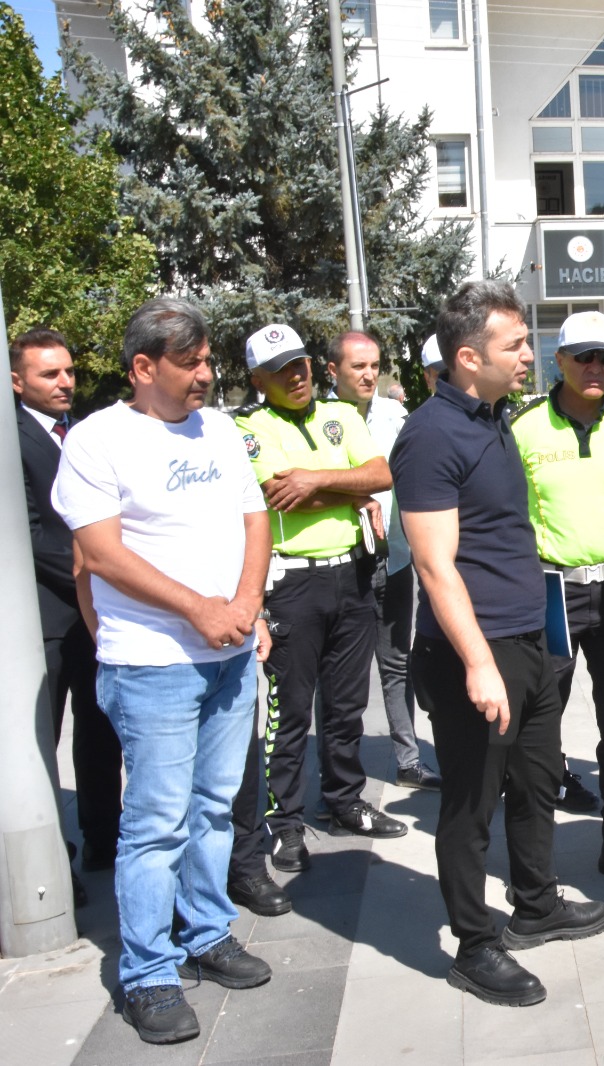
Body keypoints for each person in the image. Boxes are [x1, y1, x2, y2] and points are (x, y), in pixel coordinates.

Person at [52, 297, 274, 1044]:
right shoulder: (98, 439)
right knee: (156, 821)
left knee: (213, 806)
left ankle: (207, 931)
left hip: (229, 656)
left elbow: (254, 518)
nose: (206, 374)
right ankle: (148, 972)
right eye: (191, 362)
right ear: (143, 367)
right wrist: (197, 609)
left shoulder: (219, 429)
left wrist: (246, 604)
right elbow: (101, 554)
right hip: (153, 664)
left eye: (208, 360)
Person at [392, 280, 604, 1007]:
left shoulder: (494, 420)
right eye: (515, 345)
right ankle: (474, 944)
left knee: (539, 780)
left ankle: (536, 904)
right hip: (474, 654)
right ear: (468, 356)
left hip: (529, 640)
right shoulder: (431, 434)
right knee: (470, 803)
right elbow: (434, 565)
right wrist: (479, 663)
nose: (529, 355)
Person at [230, 323, 405, 899]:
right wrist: (351, 490)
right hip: (292, 582)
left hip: (350, 574)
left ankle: (345, 800)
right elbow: (278, 492)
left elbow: (382, 474)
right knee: (290, 711)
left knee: (348, 703)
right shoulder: (249, 427)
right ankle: (285, 823)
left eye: (301, 363)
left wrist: (319, 480)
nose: (297, 375)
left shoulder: (341, 415)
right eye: (281, 370)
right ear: (259, 379)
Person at [510, 310, 604, 886]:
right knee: (538, 726)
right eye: (584, 358)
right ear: (560, 360)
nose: (596, 368)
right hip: (551, 590)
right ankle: (535, 863)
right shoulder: (523, 427)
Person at [12, 328, 122, 904]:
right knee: (43, 741)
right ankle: (55, 863)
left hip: (93, 616)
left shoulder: (79, 434)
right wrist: (96, 571)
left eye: (69, 371)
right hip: (49, 618)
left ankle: (105, 836)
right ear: (16, 381)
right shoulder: (10, 437)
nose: (65, 382)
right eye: (49, 374)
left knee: (101, 728)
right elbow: (29, 533)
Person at [326, 331, 441, 791]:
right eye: (358, 366)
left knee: (397, 663)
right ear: (333, 371)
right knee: (341, 675)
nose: (369, 374)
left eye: (374, 365)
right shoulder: (318, 418)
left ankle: (408, 760)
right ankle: (337, 775)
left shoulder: (394, 416)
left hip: (393, 559)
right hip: (343, 562)